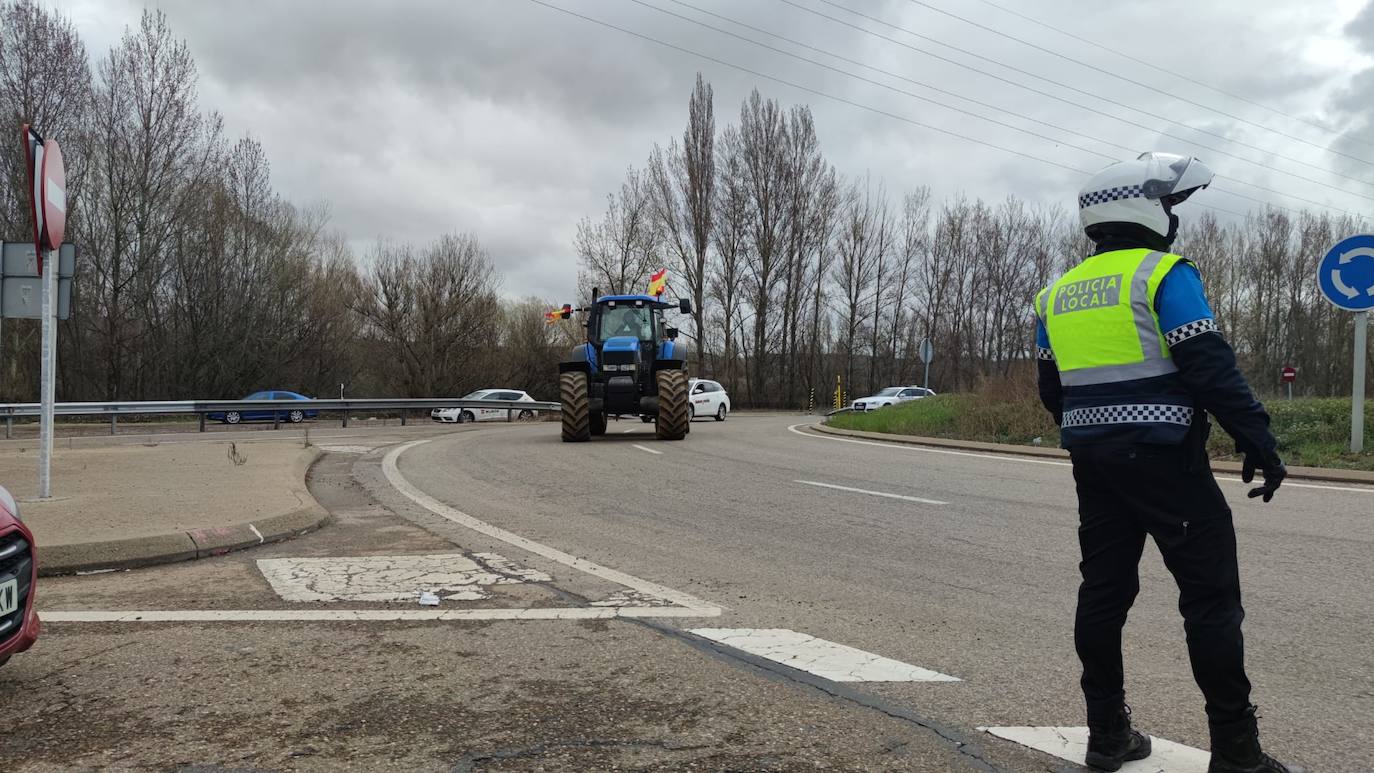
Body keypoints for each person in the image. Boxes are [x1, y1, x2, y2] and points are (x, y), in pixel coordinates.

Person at [1033, 152, 1300, 773]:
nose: (1173, 218)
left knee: (1103, 592)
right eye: (1170, 205)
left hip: (1092, 462)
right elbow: (1208, 365)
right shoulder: (1162, 275)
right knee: (1210, 601)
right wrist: (1256, 438)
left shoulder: (1056, 294)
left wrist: (1096, 431)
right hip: (1165, 460)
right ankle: (1237, 753)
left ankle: (1106, 735)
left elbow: (1053, 392)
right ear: (1145, 206)